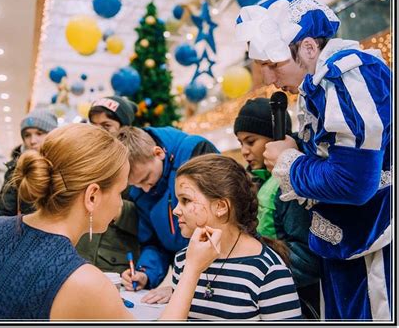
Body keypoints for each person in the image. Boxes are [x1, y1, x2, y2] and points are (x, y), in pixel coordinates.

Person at [0, 123, 222, 320]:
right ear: (93, 196)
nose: (123, 204)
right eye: (121, 192)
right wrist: (193, 268)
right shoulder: (82, 282)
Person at [236, 0, 391, 320]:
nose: (269, 79)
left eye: (273, 64)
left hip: (374, 248)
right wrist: (297, 152)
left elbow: (353, 182)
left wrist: (289, 160)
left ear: (308, 48)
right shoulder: (318, 87)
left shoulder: (348, 74)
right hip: (344, 248)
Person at [150, 154, 301, 320]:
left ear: (221, 206)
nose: (176, 210)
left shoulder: (268, 271)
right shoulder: (183, 259)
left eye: (185, 200)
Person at [233, 97, 321, 318]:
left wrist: (259, 270)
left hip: (294, 300)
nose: (244, 151)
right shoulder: (251, 181)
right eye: (240, 143)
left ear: (275, 139)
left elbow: (309, 259)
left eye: (250, 141)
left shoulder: (290, 186)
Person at [117, 126, 219, 291]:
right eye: (136, 184)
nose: (145, 189)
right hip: (185, 277)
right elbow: (153, 241)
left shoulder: (195, 151)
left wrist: (184, 287)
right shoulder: (140, 192)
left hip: (218, 268)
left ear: (158, 153)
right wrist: (145, 273)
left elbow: (219, 218)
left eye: (146, 178)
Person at [77, 95, 140, 273]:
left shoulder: (135, 165)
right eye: (94, 125)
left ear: (123, 129)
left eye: (106, 126)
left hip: (114, 264)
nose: (98, 132)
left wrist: (116, 208)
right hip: (76, 257)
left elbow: (146, 217)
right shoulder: (81, 160)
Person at [0, 108, 58, 217]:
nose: (32, 141)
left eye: (39, 133)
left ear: (52, 135)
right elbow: (1, 213)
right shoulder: (18, 168)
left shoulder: (63, 165)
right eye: (27, 135)